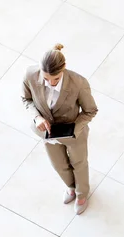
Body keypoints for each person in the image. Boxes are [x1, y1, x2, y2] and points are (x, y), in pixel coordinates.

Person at [21, 44, 98, 214]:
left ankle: (82, 193)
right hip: (47, 133)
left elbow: (90, 111)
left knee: (79, 163)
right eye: (46, 78)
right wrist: (37, 117)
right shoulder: (30, 75)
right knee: (58, 164)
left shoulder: (78, 83)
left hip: (73, 134)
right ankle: (71, 187)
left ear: (63, 70)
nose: (50, 83)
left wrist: (72, 130)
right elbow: (26, 99)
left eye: (55, 79)